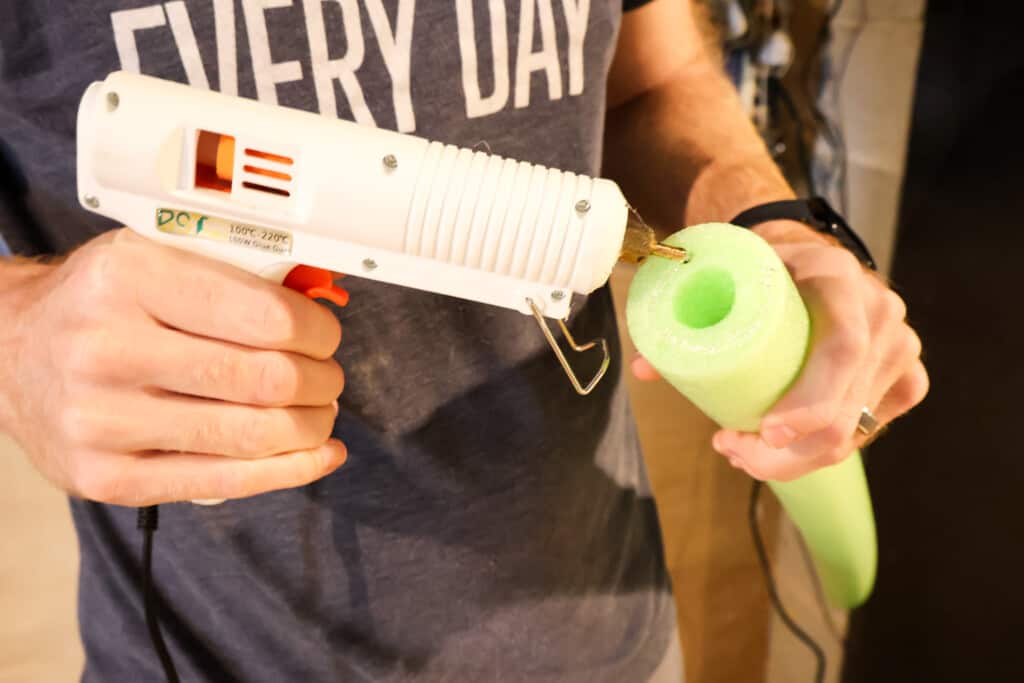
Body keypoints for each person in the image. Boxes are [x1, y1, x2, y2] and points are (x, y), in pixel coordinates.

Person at [0, 0, 927, 680]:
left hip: (608, 641)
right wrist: (17, 334)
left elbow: (653, 79)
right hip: (210, 652)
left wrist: (777, 227)